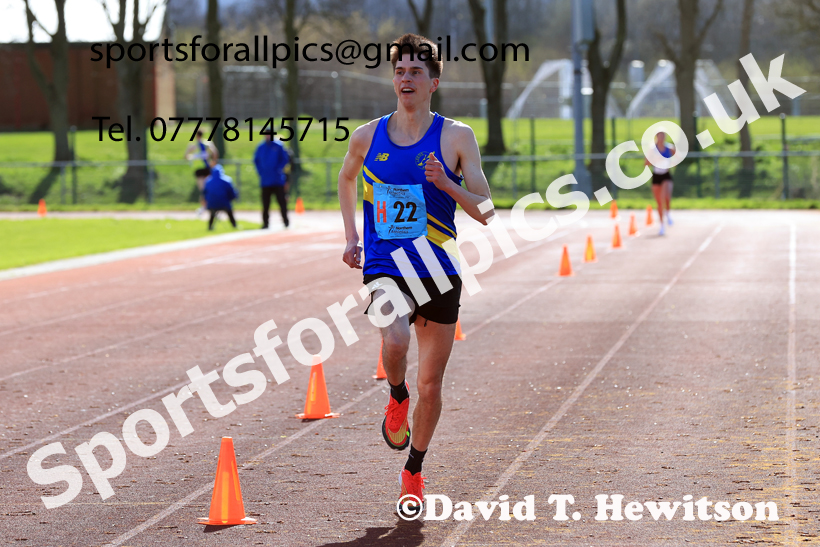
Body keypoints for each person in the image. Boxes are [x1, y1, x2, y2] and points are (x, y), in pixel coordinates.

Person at [337, 33, 493, 516]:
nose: (405, 78)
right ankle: (395, 396)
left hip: (438, 269)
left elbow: (486, 209)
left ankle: (414, 470)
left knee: (433, 386)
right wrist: (351, 237)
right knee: (397, 340)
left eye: (415, 72)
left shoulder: (456, 137)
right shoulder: (367, 136)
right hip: (386, 265)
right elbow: (345, 178)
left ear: (434, 82)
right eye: (399, 71)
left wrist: (446, 182)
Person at [253, 134, 291, 228]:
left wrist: (279, 169)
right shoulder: (261, 147)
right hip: (265, 181)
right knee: (265, 204)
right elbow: (256, 160)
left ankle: (286, 221)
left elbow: (285, 159)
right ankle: (265, 223)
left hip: (278, 180)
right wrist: (261, 172)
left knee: (282, 202)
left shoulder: (278, 145)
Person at [185, 130, 219, 215]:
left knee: (203, 190)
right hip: (207, 168)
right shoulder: (207, 143)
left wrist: (191, 158)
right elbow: (215, 152)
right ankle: (207, 206)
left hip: (199, 169)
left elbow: (186, 156)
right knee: (207, 189)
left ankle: (205, 207)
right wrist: (214, 162)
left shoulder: (194, 145)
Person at [646, 132, 675, 235]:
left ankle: (668, 213)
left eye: (663, 136)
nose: (662, 138)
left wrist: (670, 162)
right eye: (660, 136)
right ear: (657, 137)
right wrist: (654, 159)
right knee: (659, 202)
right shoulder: (652, 149)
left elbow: (677, 158)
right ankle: (662, 225)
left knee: (666, 197)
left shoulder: (670, 148)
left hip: (666, 175)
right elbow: (646, 163)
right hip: (656, 175)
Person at [202, 161, 238, 230]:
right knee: (229, 210)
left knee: (212, 212)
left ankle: (210, 227)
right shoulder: (227, 180)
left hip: (211, 204)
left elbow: (205, 193)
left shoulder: (208, 181)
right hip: (224, 204)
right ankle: (234, 225)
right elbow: (232, 193)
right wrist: (232, 199)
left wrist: (207, 201)